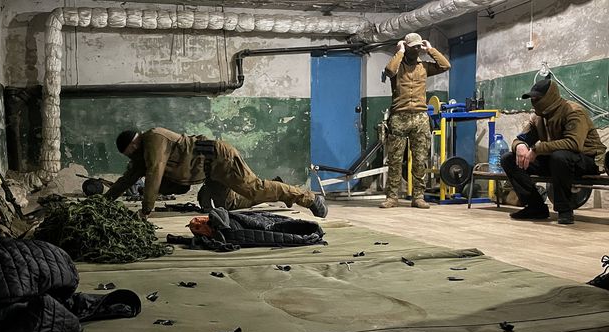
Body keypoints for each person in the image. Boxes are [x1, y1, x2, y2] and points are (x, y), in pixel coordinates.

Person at [104, 127, 328, 218]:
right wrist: (103, 202)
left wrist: (146, 210)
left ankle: (307, 198)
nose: (131, 158)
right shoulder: (140, 156)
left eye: (129, 152)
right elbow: (127, 179)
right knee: (225, 206)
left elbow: (155, 171)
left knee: (254, 190)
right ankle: (277, 187)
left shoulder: (153, 138)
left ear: (134, 144)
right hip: (209, 172)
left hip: (220, 159)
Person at [501, 78, 606, 224]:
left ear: (549, 96)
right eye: (532, 98)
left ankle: (565, 210)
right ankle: (535, 207)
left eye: (537, 98)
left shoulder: (573, 111)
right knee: (508, 159)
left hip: (588, 159)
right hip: (557, 159)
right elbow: (522, 138)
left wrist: (537, 149)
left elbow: (574, 144)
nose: (534, 101)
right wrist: (519, 146)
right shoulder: (539, 117)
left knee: (560, 157)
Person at [380, 32, 451, 209]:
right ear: (407, 47)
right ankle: (392, 197)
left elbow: (445, 65)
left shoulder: (424, 67)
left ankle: (418, 196)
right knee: (395, 160)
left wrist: (431, 49)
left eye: (419, 47)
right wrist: (400, 51)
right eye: (414, 47)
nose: (417, 50)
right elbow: (389, 71)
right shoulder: (397, 66)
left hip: (420, 117)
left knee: (420, 160)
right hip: (399, 117)